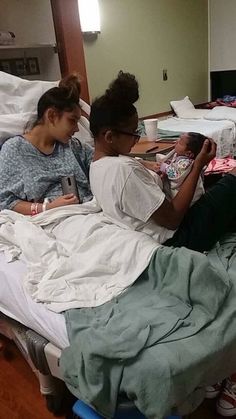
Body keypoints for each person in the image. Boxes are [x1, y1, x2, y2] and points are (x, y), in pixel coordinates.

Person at [89, 70, 236, 253]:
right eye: (134, 133)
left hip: (164, 227)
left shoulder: (96, 166)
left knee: (220, 193)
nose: (137, 138)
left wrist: (150, 167)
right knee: (232, 177)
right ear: (109, 136)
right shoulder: (123, 171)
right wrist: (197, 165)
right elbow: (173, 218)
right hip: (179, 237)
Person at [0, 73, 94, 215]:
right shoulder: (14, 150)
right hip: (54, 220)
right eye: (72, 120)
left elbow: (100, 161)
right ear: (51, 115)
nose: (76, 128)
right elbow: (6, 202)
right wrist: (47, 208)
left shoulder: (74, 146)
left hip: (89, 211)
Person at [159, 132, 207, 205]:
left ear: (188, 153)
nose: (176, 142)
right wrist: (169, 163)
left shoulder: (186, 163)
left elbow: (175, 174)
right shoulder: (180, 156)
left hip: (189, 199)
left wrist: (164, 167)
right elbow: (175, 164)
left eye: (180, 143)